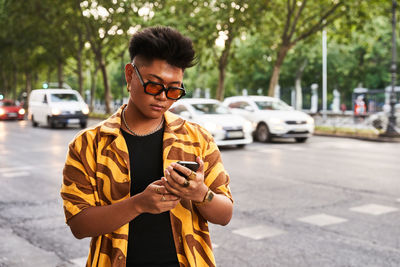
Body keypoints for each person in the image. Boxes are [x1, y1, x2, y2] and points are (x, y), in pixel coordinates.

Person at [60, 26, 233, 267]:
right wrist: (139, 203)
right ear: (130, 75)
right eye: (154, 85)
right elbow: (79, 224)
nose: (163, 97)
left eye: (174, 90)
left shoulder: (198, 138)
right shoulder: (89, 144)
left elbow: (225, 214)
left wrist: (200, 193)